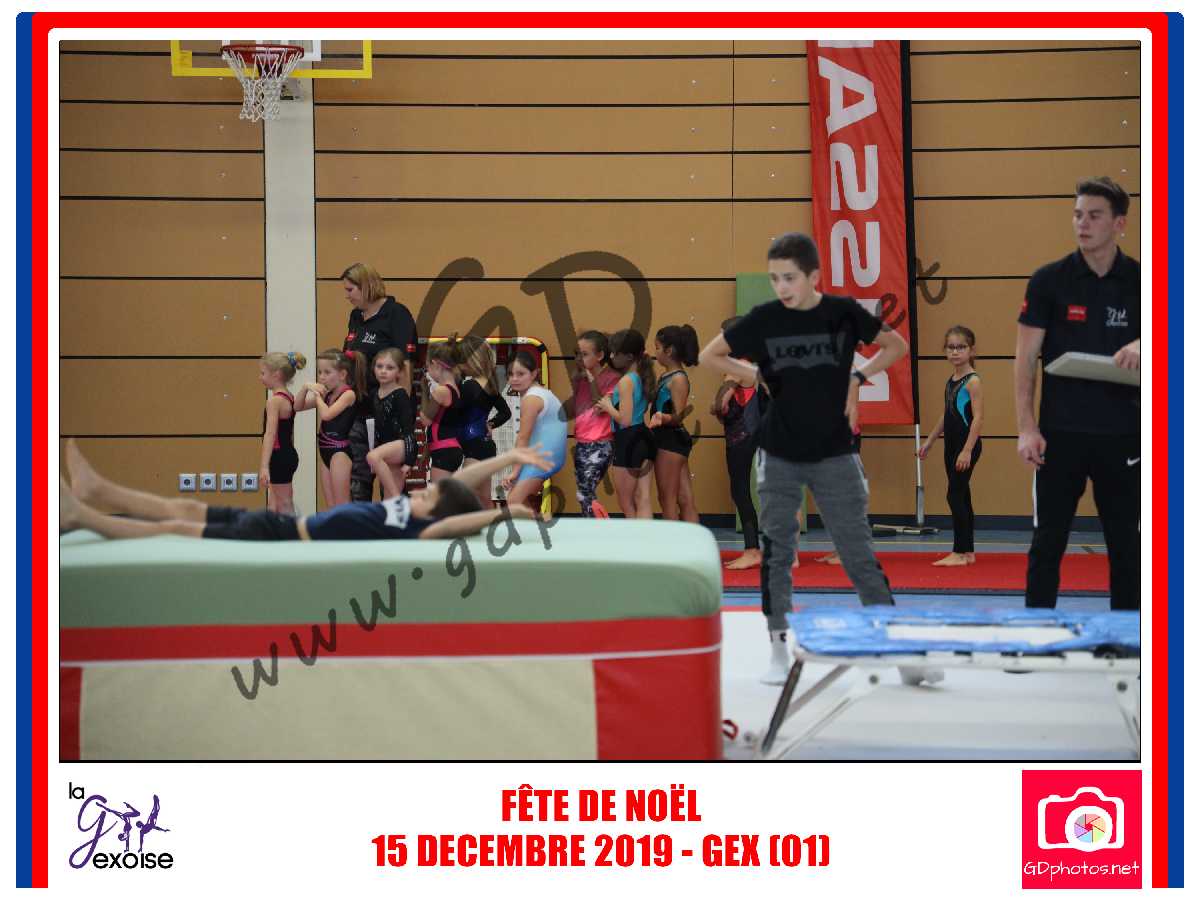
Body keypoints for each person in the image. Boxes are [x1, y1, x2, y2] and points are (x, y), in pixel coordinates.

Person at [699, 232, 937, 686]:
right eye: (774, 278)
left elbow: (896, 347)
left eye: (789, 278)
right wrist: (755, 373)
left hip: (834, 453)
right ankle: (777, 649)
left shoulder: (842, 312)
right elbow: (711, 355)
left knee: (857, 552)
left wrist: (858, 377)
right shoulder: (765, 318)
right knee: (777, 552)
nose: (781, 287)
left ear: (814, 276)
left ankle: (894, 645)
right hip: (779, 452)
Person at [1015, 176, 1140, 610]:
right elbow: (1025, 359)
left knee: (1127, 546)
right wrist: (1027, 428)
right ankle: (1036, 633)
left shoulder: (1145, 282)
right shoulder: (1048, 281)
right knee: (1047, 542)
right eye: (1077, 214)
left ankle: (1127, 639)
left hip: (1125, 437)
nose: (1082, 224)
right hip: (1059, 435)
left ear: (1120, 223)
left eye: (1094, 216)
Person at [61, 439, 553, 543]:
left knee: (175, 527)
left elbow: (453, 519)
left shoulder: (418, 529)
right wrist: (510, 456)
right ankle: (99, 489)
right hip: (275, 523)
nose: (418, 493)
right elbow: (457, 488)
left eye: (427, 498)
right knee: (184, 507)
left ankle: (85, 516)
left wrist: (505, 514)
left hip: (278, 534)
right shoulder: (414, 509)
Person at [341, 262, 418, 501]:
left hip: (388, 410)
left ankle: (397, 521)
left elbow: (405, 365)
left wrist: (401, 411)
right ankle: (362, 522)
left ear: (366, 286)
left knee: (391, 481)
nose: (347, 296)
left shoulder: (397, 314)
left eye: (350, 290)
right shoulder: (356, 316)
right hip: (360, 409)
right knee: (358, 477)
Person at [918, 326, 984, 566]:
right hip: (952, 445)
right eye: (951, 347)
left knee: (954, 495)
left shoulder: (973, 381)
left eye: (961, 347)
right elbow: (947, 415)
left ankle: (959, 552)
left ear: (971, 350)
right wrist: (930, 441)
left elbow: (978, 418)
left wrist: (967, 450)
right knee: (962, 495)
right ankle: (968, 553)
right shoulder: (952, 380)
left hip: (965, 446)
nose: (955, 352)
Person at [712, 317, 762, 569]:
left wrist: (717, 407)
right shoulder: (746, 365)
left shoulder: (737, 368)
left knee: (740, 491)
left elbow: (719, 403)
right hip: (744, 433)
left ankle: (752, 550)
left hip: (742, 435)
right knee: (740, 491)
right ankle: (754, 549)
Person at [593, 329, 656, 519]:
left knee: (626, 502)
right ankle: (647, 537)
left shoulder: (626, 381)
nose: (611, 357)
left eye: (615, 353)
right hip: (644, 437)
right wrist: (610, 404)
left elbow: (625, 420)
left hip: (628, 440)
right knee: (643, 497)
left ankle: (635, 538)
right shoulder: (640, 377)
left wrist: (607, 406)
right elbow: (636, 411)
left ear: (629, 356)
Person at [296, 349, 365, 508]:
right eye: (320, 372)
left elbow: (327, 415)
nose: (321, 377)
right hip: (325, 452)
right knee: (331, 506)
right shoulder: (327, 395)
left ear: (342, 374)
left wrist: (317, 396)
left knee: (342, 504)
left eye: (327, 372)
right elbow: (297, 406)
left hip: (339, 453)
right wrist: (305, 388)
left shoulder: (348, 394)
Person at [563, 330, 621, 518]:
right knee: (584, 494)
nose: (578, 359)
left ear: (600, 355)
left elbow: (600, 404)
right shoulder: (581, 378)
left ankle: (600, 527)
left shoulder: (612, 378)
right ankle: (592, 526)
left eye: (584, 354)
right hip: (582, 442)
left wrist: (590, 377)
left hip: (601, 443)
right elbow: (578, 405)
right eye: (576, 354)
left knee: (585, 492)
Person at [500, 351, 568, 511]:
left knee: (515, 502)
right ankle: (537, 525)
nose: (514, 379)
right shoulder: (542, 393)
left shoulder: (532, 399)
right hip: (545, 455)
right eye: (510, 374)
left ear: (534, 373)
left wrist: (515, 471)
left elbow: (523, 437)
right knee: (520, 503)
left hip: (545, 457)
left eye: (520, 374)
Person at [649, 325, 700, 523]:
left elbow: (678, 415)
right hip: (668, 440)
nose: (655, 352)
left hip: (670, 441)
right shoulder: (665, 376)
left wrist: (662, 417)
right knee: (684, 497)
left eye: (657, 348)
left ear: (668, 351)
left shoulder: (678, 378)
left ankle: (673, 542)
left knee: (667, 499)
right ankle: (693, 540)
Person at [455, 335, 513, 507]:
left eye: (462, 360)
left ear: (472, 361)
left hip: (474, 448)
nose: (460, 365)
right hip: (485, 446)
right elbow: (506, 413)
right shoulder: (490, 386)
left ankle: (468, 524)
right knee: (484, 497)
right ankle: (491, 523)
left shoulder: (468, 387)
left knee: (463, 492)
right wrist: (491, 424)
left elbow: (453, 413)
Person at [257, 351, 305, 516]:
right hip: (287, 454)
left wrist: (264, 466)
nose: (260, 377)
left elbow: (270, 434)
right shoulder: (289, 397)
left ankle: (294, 531)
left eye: (263, 373)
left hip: (279, 457)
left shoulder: (275, 401)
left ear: (276, 375)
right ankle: (272, 531)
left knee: (284, 503)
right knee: (274, 504)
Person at [365, 348, 417, 499]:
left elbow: (408, 429)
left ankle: (398, 498)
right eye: (379, 366)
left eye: (390, 368)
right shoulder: (374, 394)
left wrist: (409, 460)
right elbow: (373, 426)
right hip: (386, 448)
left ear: (399, 372)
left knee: (372, 456)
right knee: (389, 503)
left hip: (401, 445)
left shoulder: (400, 395)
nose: (383, 371)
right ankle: (398, 502)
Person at [420, 341, 468, 482]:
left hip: (444, 450)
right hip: (450, 447)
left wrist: (424, 393)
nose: (427, 372)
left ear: (435, 364)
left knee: (439, 494)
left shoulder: (441, 391)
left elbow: (426, 420)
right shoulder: (455, 389)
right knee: (446, 493)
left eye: (427, 367)